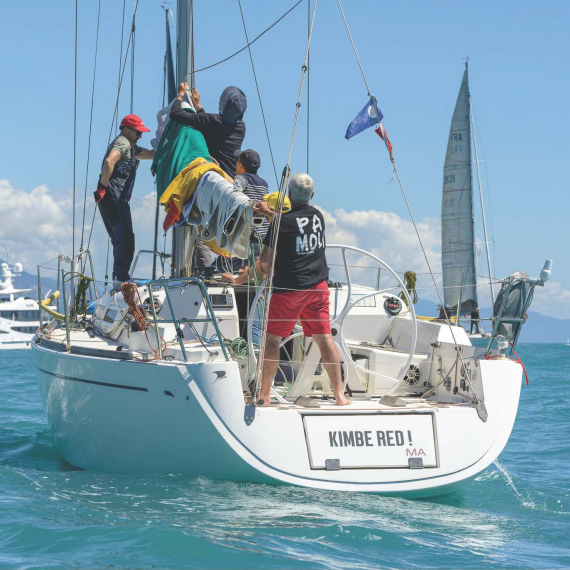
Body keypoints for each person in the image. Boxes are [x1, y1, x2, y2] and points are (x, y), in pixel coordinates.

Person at [254, 173, 351, 407]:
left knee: (272, 340)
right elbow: (294, 223)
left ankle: (265, 396)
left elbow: (265, 261)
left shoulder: (280, 223)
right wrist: (270, 215)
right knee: (325, 339)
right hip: (318, 288)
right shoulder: (318, 216)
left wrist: (265, 269)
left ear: (288, 195)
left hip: (289, 290)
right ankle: (340, 395)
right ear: (312, 195)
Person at [94, 114, 155, 284]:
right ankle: (120, 277)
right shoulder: (123, 142)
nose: (140, 136)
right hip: (111, 197)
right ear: (126, 130)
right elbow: (109, 162)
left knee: (127, 238)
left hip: (120, 200)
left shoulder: (130, 147)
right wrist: (102, 187)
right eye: (138, 132)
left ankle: (122, 276)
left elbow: (150, 154)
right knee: (121, 237)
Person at [170, 83, 247, 178]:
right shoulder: (241, 127)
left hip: (218, 176)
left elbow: (175, 114)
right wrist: (198, 106)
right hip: (232, 176)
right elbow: (212, 126)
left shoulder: (213, 121)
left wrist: (180, 94)